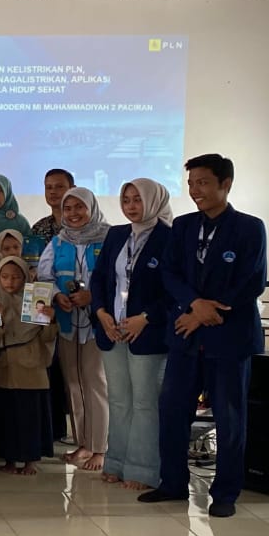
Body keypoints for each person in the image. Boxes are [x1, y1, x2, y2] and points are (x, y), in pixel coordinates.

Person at [141, 154, 266, 518]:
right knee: (173, 411)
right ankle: (172, 484)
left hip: (229, 338)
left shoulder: (249, 227)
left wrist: (205, 312)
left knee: (229, 418)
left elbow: (252, 281)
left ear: (225, 184)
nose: (196, 190)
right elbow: (169, 273)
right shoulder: (182, 226)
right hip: (185, 336)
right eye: (191, 183)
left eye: (204, 182)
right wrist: (195, 306)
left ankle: (225, 493)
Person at [90, 179, 173, 491]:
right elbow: (100, 278)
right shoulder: (116, 234)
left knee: (145, 403)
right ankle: (116, 463)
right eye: (126, 200)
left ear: (153, 200)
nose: (131, 206)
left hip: (147, 334)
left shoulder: (169, 237)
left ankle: (144, 469)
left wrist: (146, 318)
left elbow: (173, 289)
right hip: (112, 330)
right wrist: (101, 313)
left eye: (138, 199)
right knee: (119, 400)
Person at [37, 187, 109, 472]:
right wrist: (56, 296)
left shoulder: (108, 238)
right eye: (68, 209)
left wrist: (93, 296)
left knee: (95, 383)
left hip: (98, 323)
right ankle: (83, 443)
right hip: (68, 322)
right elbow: (45, 276)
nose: (73, 214)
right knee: (74, 383)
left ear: (92, 208)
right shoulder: (58, 242)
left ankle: (100, 448)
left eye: (80, 207)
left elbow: (116, 278)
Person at [0, 255, 58, 475]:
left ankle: (30, 461)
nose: (10, 282)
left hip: (32, 368)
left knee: (30, 417)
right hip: (4, 368)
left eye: (16, 277)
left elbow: (48, 338)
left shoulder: (36, 302)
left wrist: (50, 319)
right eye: (5, 277)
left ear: (26, 278)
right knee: (8, 416)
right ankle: (9, 460)